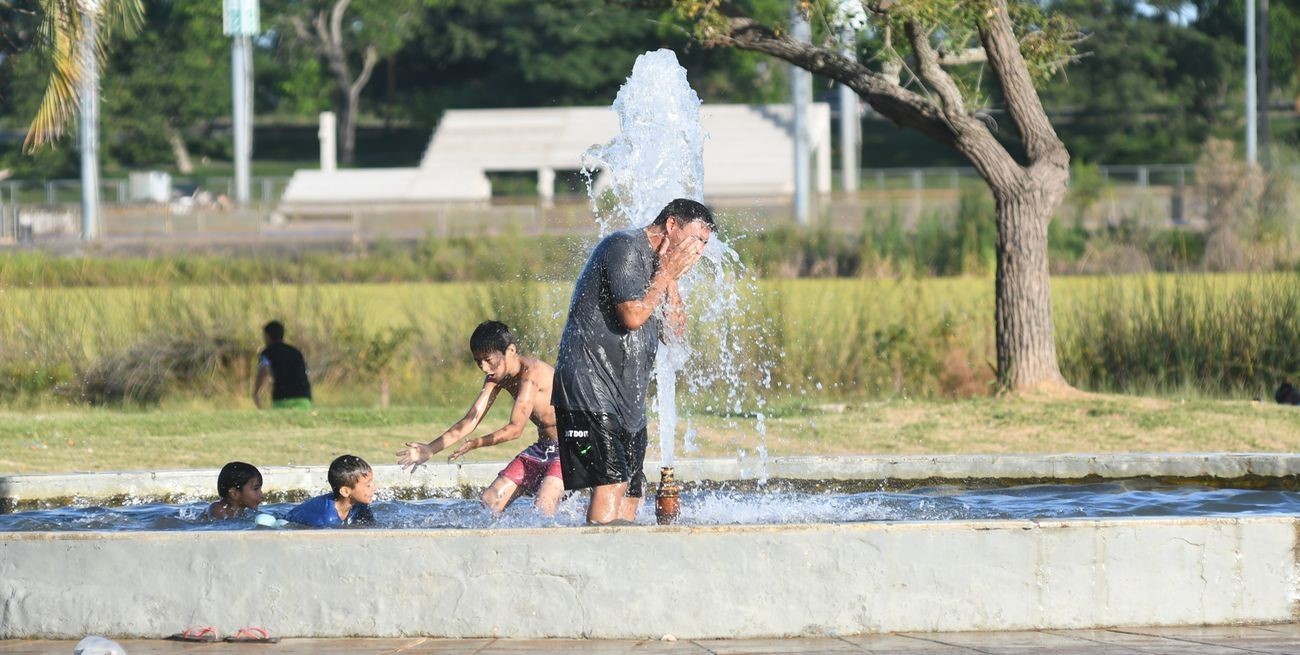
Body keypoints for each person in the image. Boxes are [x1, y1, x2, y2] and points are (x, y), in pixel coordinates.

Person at [553, 198, 714, 524]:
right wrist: (665, 272)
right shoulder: (623, 247)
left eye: (705, 245)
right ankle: (598, 566)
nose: (699, 252)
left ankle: (623, 564)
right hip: (586, 392)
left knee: (633, 489)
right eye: (697, 240)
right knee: (611, 481)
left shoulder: (661, 269)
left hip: (625, 399)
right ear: (672, 226)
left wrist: (672, 281)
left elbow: (674, 334)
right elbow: (633, 315)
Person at [396, 321, 565, 517]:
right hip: (545, 447)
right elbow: (470, 420)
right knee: (489, 502)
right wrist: (430, 449)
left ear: (510, 351)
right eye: (478, 362)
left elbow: (515, 429)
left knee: (544, 506)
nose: (484, 368)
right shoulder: (496, 376)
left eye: (488, 360)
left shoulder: (531, 373)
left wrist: (477, 443)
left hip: (573, 448)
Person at [285, 454, 376, 527]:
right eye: (368, 485)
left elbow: (371, 526)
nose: (374, 488)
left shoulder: (361, 504)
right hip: (285, 523)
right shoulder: (325, 520)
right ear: (345, 492)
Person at [253, 320, 312, 410]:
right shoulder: (296, 352)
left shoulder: (267, 352)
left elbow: (264, 370)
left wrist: (256, 393)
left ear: (267, 336)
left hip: (283, 399)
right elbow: (306, 372)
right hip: (304, 397)